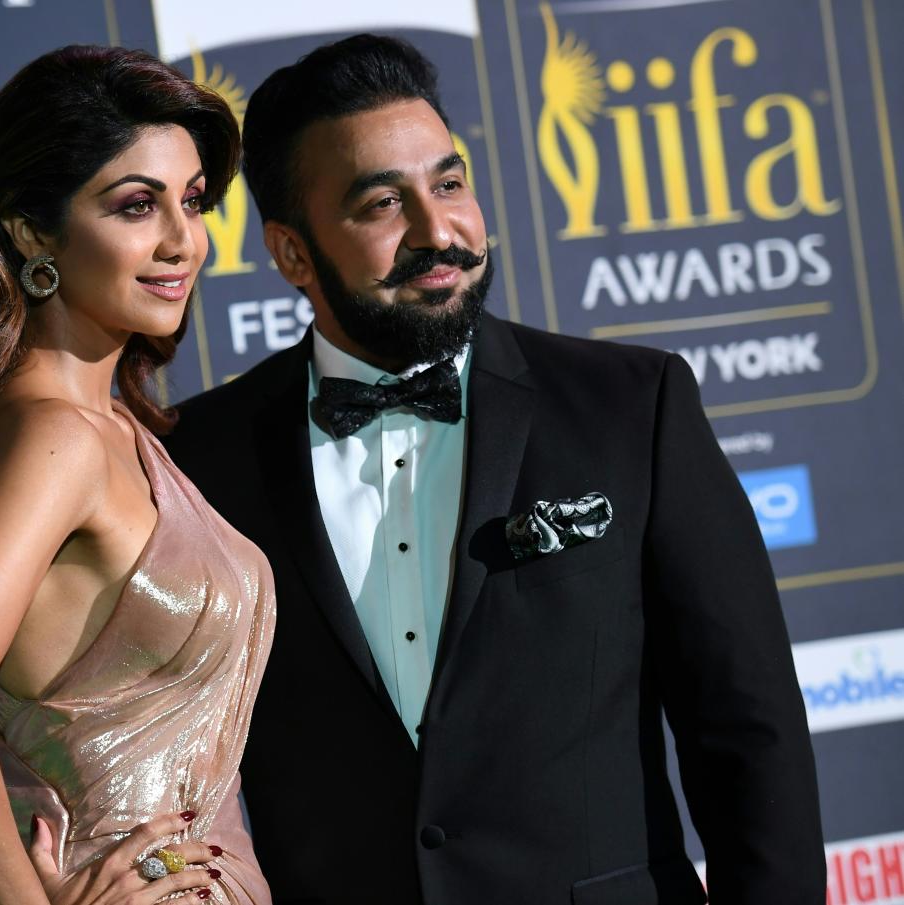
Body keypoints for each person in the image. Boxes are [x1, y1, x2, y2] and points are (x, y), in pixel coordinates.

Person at [163, 34, 825, 905]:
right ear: (291, 254)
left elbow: (751, 734)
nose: (440, 231)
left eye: (449, 182)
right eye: (381, 204)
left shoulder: (632, 406)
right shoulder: (195, 459)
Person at [0, 45, 274, 905]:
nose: (182, 242)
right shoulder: (54, 438)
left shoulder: (109, 427)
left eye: (193, 201)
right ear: (29, 231)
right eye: (135, 206)